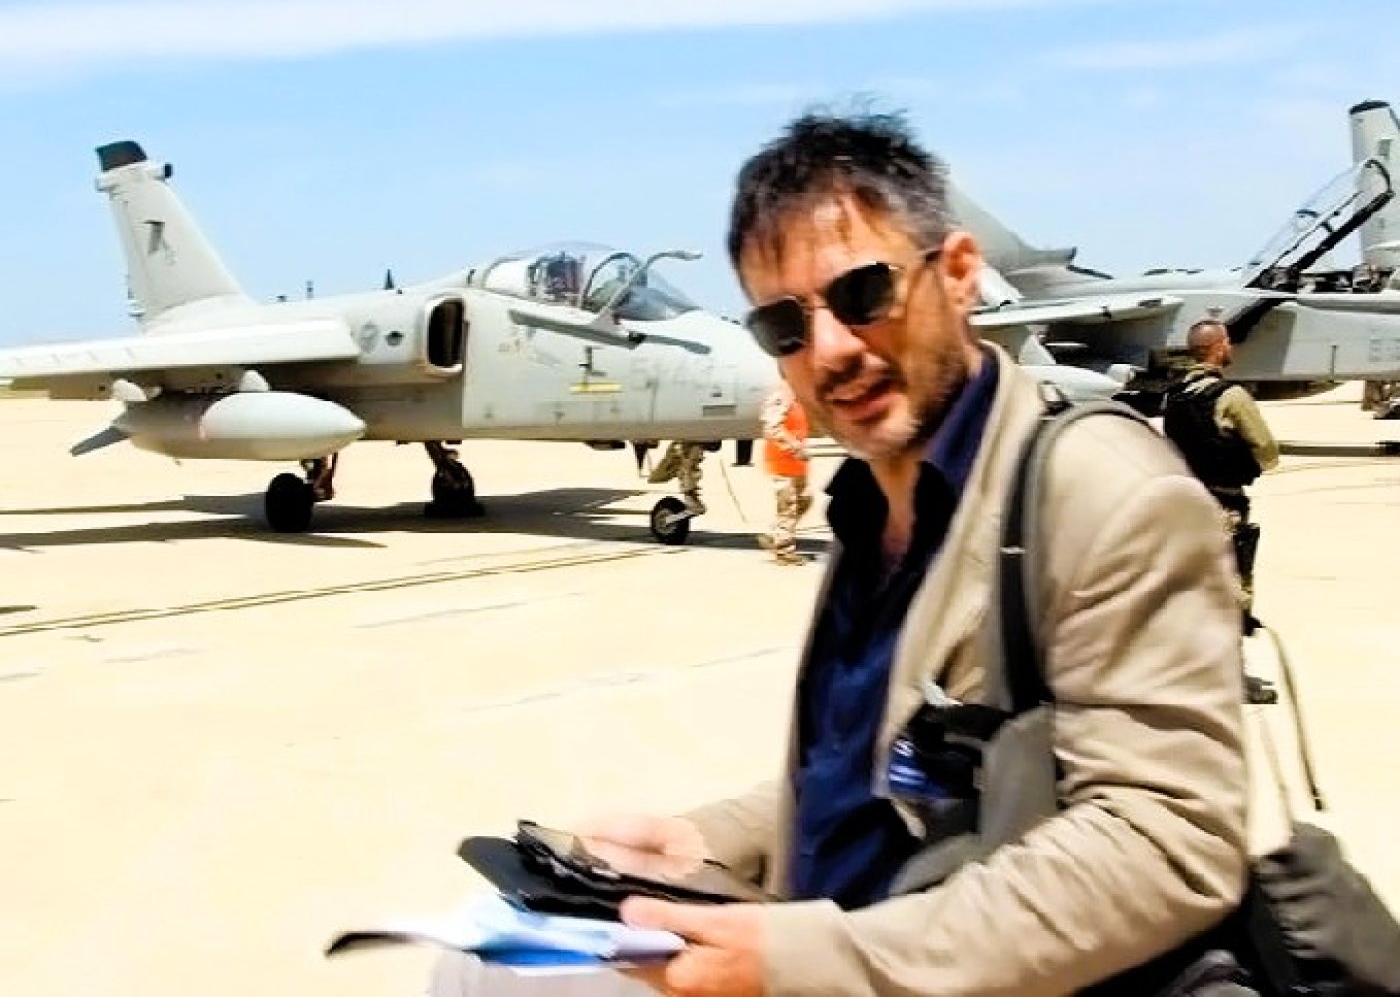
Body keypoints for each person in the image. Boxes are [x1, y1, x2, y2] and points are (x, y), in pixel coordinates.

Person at [430, 109, 1247, 996]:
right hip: (839, 949)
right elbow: (871, 781)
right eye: (784, 325)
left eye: (864, 295)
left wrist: (803, 961)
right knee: (483, 953)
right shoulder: (872, 502)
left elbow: (1168, 841)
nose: (829, 351)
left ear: (959, 275)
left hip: (960, 975)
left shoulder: (1103, 497)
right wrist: (705, 843)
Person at [1162, 319, 1279, 628]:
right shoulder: (1232, 396)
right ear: (1216, 348)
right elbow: (1268, 452)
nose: (1231, 347)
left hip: (1183, 504)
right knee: (1233, 585)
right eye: (1227, 342)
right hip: (1224, 504)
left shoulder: (1172, 396)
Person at [758, 380, 811, 564]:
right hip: (781, 462)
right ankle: (784, 551)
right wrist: (794, 447)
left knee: (804, 499)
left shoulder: (798, 398)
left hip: (796, 463)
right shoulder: (781, 398)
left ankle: (774, 534)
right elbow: (772, 428)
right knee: (788, 506)